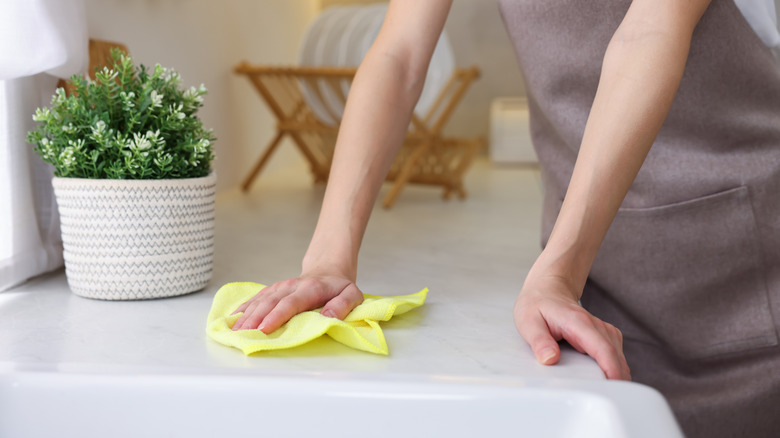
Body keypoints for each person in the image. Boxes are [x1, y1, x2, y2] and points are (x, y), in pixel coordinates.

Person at [231, 1, 780, 436]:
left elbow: (651, 29)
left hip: (731, 255)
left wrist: (559, 271)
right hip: (592, 263)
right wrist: (329, 258)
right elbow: (398, 56)